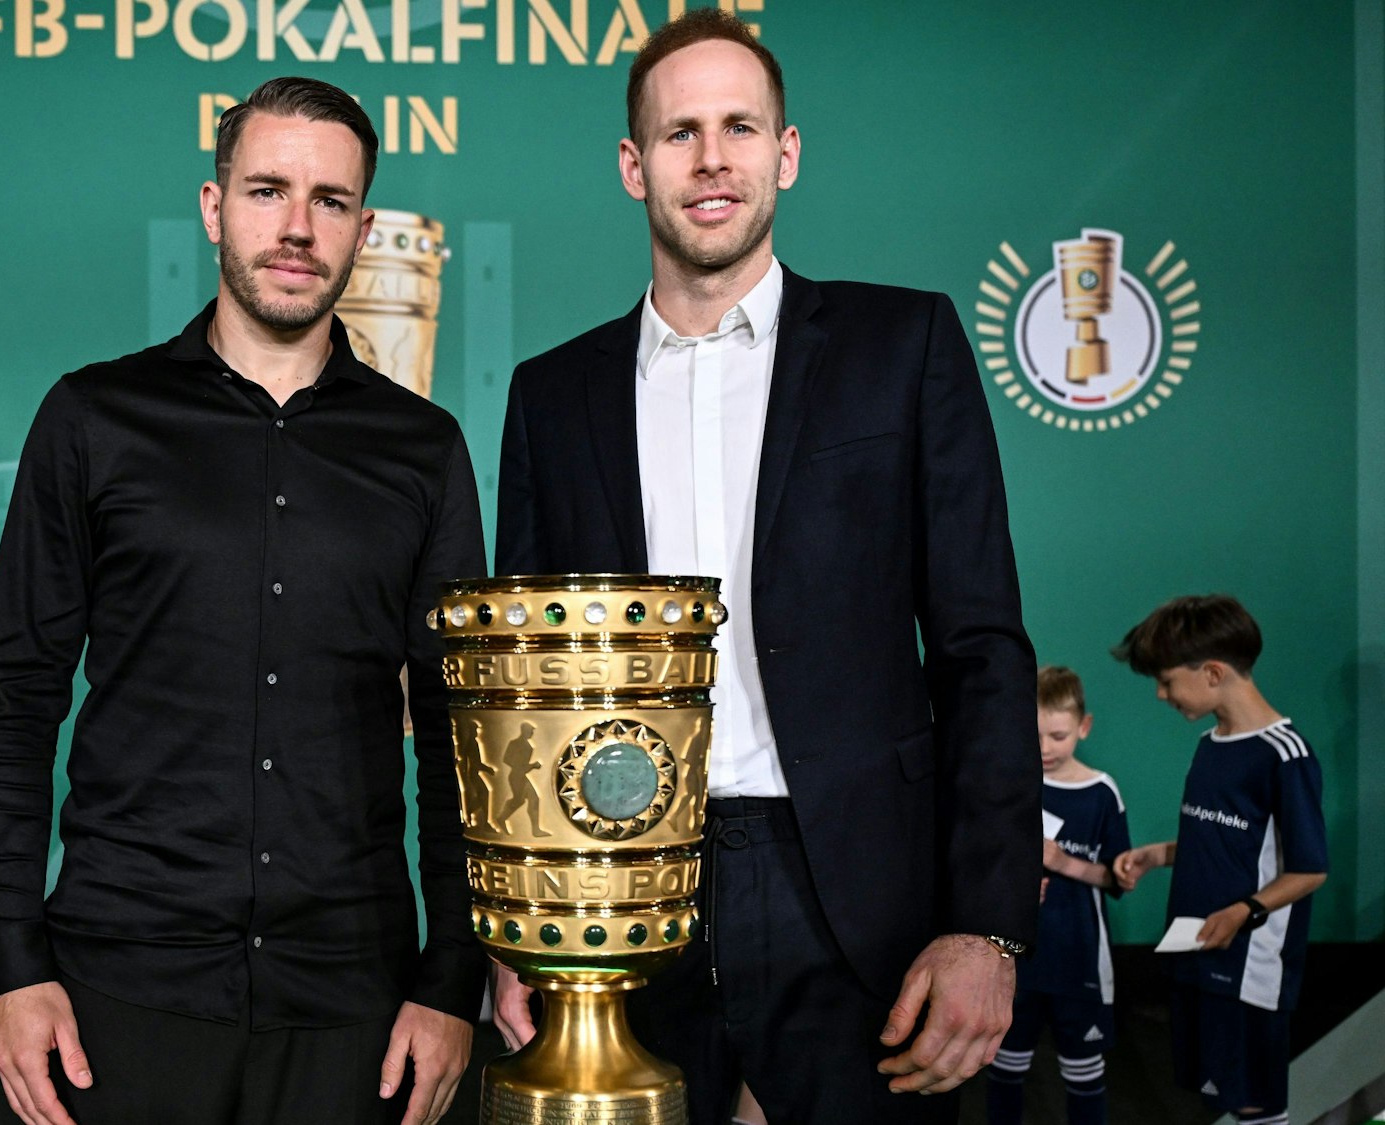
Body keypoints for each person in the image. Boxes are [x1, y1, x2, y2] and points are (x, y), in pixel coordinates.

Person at [489, 9, 1040, 1121]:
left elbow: (980, 647)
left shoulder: (905, 345)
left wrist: (988, 924)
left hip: (857, 887)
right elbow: (523, 693)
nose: (710, 159)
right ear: (631, 165)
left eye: (738, 127)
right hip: (625, 891)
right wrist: (518, 931)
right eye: (680, 131)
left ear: (783, 153)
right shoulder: (552, 395)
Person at [0, 77, 485, 1125]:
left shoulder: (423, 449)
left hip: (355, 1004)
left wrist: (449, 978)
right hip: (120, 990)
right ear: (211, 207)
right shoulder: (94, 417)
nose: (296, 227)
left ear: (362, 228)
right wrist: (12, 965)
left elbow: (459, 736)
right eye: (265, 191)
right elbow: (12, 700)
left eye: (329, 200)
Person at [1111, 595, 1328, 1125]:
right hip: (1200, 949)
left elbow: (1309, 868)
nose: (1161, 695)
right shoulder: (1211, 743)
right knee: (1219, 1093)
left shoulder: (1285, 754)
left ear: (1212, 672)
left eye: (1165, 681)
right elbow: (1232, 841)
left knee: (1255, 1099)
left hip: (1250, 965)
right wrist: (1159, 855)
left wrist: (1243, 912)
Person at [985, 667, 1129, 1125]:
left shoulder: (1102, 793)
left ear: (1083, 727)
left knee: (1085, 1076)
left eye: (1058, 734)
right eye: (1035, 733)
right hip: (1014, 957)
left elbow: (1117, 877)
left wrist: (1062, 862)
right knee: (1004, 1069)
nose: (1045, 747)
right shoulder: (1012, 784)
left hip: (1079, 959)